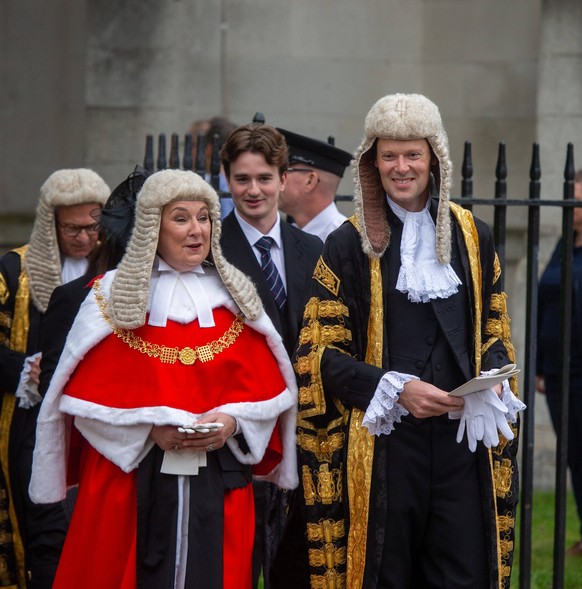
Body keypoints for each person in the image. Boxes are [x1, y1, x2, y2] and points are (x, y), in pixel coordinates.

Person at [274, 93, 525, 589]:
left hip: (461, 443)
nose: (401, 166)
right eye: (389, 155)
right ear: (372, 161)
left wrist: (494, 378)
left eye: (413, 154)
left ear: (434, 158)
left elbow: (495, 326)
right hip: (387, 445)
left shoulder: (475, 236)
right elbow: (319, 354)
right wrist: (394, 388)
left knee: (462, 571)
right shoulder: (347, 243)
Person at [29, 169, 298, 589]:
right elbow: (78, 402)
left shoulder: (237, 297)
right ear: (154, 226)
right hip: (130, 480)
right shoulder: (107, 297)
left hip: (218, 478)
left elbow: (271, 396)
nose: (197, 230)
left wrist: (233, 422)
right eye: (181, 218)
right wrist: (148, 429)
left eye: (204, 217)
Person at [219, 123, 322, 588]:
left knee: (296, 568)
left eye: (264, 178)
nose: (253, 190)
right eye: (242, 179)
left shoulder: (315, 249)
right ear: (226, 180)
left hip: (306, 434)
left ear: (284, 179)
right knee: (233, 567)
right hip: (238, 435)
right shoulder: (208, 250)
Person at [0, 168, 110, 588]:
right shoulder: (14, 270)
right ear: (52, 224)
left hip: (95, 419)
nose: (84, 237)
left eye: (92, 226)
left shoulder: (115, 268)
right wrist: (23, 368)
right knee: (44, 530)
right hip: (30, 420)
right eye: (72, 228)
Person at [537, 168, 582, 556]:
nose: (572, 206)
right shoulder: (564, 247)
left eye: (577, 198)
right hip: (556, 371)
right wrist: (537, 364)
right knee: (574, 453)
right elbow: (543, 301)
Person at [277, 128, 352, 241]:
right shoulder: (287, 235)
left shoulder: (345, 240)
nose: (277, 180)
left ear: (310, 181)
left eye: (285, 172)